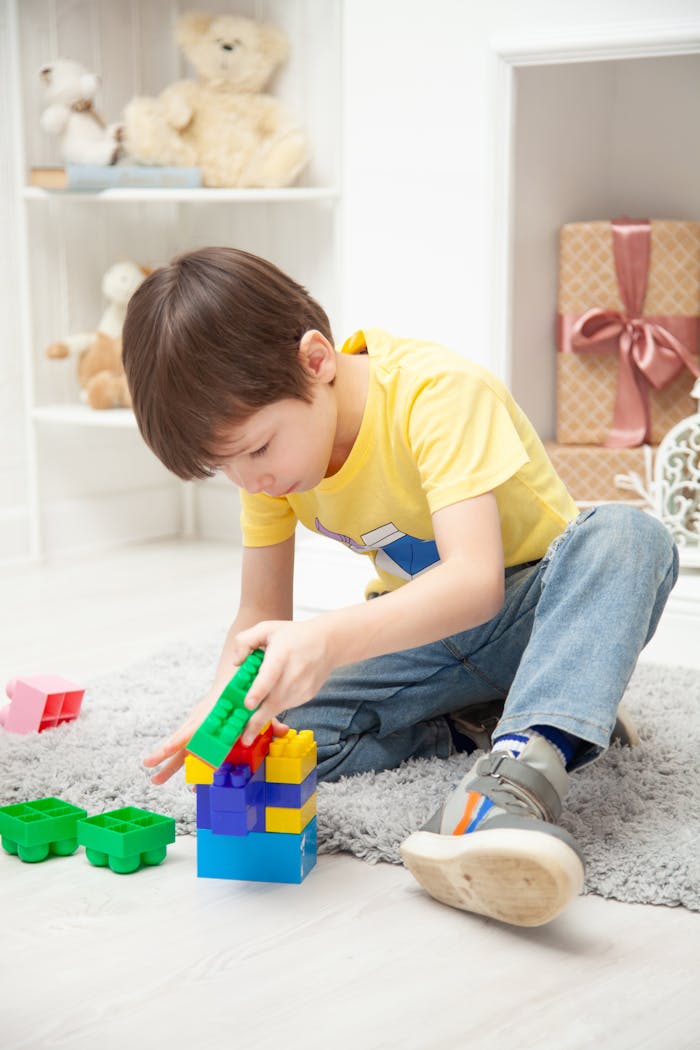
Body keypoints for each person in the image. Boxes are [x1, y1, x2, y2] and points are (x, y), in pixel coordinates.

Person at [122, 246, 678, 927]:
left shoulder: (437, 393)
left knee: (627, 534)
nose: (251, 480)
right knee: (288, 732)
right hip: (426, 637)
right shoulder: (266, 472)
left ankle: (512, 776)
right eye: (225, 467)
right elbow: (258, 614)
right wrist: (227, 708)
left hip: (537, 610)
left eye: (258, 449)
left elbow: (475, 583)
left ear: (316, 360)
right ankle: (488, 721)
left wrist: (326, 640)